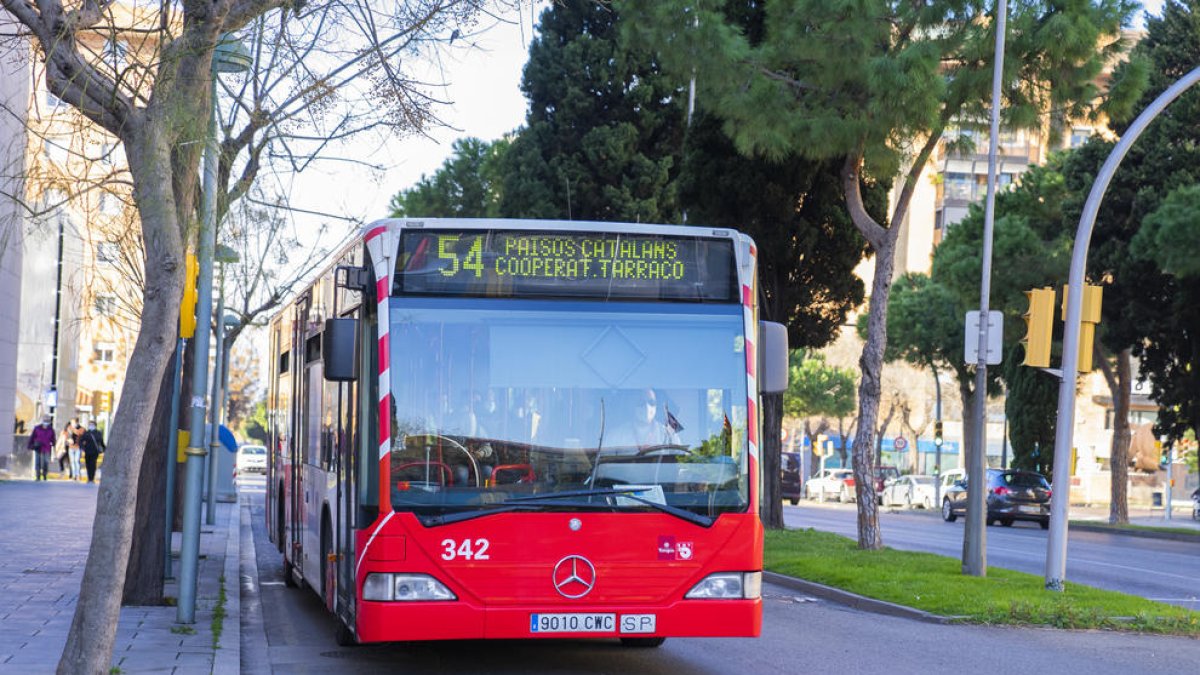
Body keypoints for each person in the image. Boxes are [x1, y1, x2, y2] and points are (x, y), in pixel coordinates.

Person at [606, 389, 680, 448]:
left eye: (651, 402)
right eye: (641, 402)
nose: (647, 407)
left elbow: (681, 460)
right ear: (632, 405)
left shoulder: (669, 435)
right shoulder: (615, 436)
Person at [27, 415, 56, 481]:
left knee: (45, 462)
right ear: (42, 421)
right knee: (38, 462)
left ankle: (44, 474)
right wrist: (30, 445)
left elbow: (53, 438)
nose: (46, 422)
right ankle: (38, 476)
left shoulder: (51, 429)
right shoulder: (37, 428)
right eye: (45, 421)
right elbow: (32, 437)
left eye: (47, 421)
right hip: (38, 447)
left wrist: (53, 444)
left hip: (47, 448)